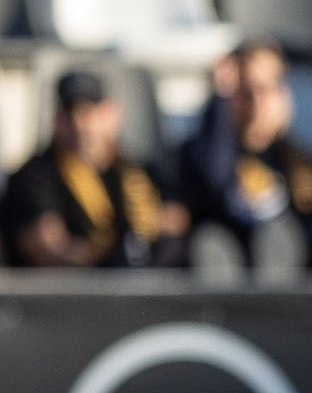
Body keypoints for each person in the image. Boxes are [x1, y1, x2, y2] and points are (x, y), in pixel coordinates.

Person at [178, 40, 312, 271]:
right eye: (246, 89)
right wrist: (220, 102)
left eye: (270, 87)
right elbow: (213, 178)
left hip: (294, 278)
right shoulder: (202, 151)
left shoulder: (297, 159)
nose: (259, 101)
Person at [1, 70, 188, 270]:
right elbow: (46, 247)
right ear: (56, 120)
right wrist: (109, 263)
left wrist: (149, 252)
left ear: (112, 113)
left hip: (148, 289)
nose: (79, 123)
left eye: (89, 111)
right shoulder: (35, 176)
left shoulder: (137, 170)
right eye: (69, 112)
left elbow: (176, 218)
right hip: (73, 295)